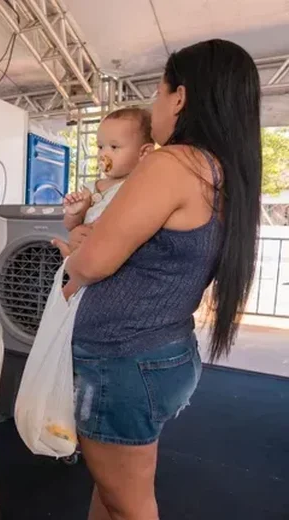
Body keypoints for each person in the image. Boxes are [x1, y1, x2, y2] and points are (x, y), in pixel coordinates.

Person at [60, 40, 262, 520]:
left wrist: (74, 259)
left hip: (123, 360)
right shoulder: (221, 172)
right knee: (112, 492)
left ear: (180, 97)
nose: (154, 108)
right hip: (158, 353)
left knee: (129, 503)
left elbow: (94, 262)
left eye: (158, 92)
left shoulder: (173, 163)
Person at [60, 107, 154, 296]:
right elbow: (70, 226)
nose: (104, 154)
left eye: (114, 147)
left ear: (143, 153)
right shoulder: (90, 186)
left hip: (109, 274)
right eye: (100, 146)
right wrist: (75, 212)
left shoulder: (135, 189)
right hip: (80, 266)